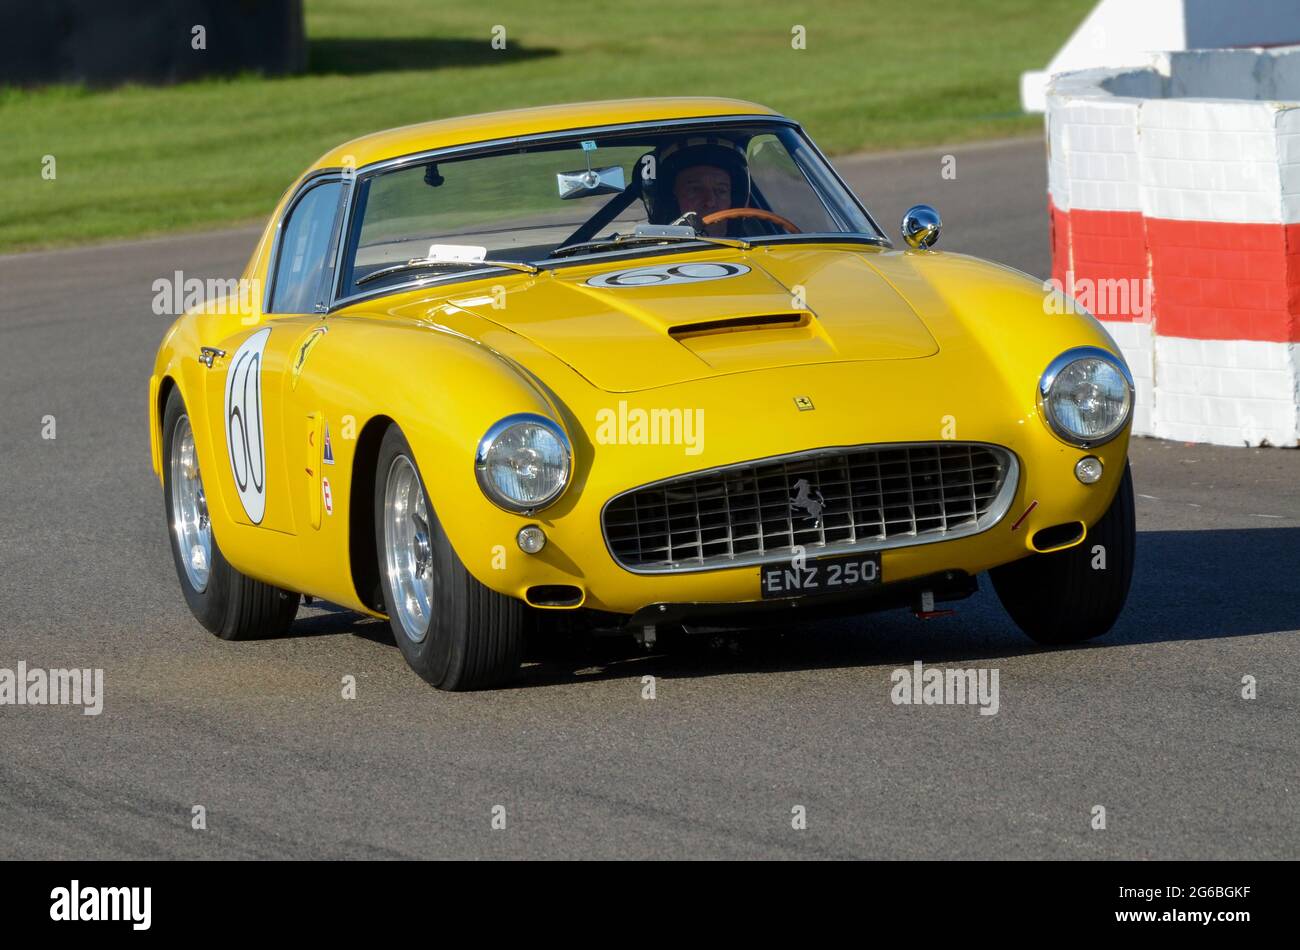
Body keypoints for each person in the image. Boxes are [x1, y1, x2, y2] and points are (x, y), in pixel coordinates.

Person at [647, 138, 752, 237]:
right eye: (695, 190)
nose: (710, 202)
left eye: (721, 191)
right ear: (672, 197)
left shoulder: (760, 243)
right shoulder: (656, 255)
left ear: (733, 199)